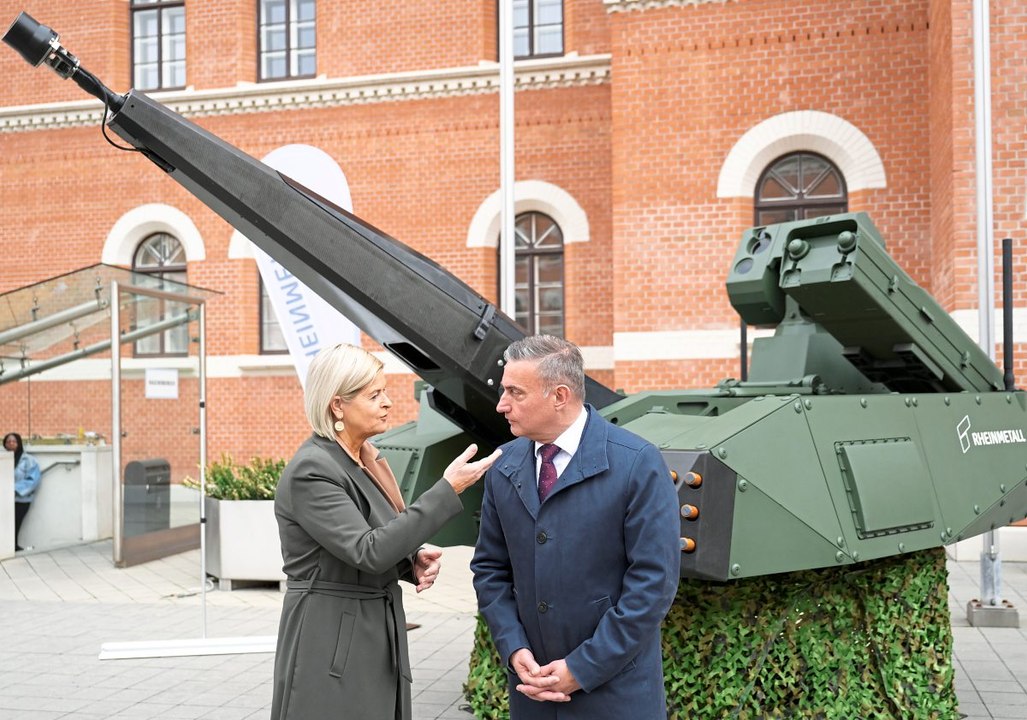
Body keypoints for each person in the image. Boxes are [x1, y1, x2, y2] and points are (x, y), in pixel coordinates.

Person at [270, 343, 501, 720]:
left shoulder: (362, 459)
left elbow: (374, 542)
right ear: (337, 405)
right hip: (330, 637)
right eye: (375, 394)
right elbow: (368, 550)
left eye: (385, 392)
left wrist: (409, 563)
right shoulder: (313, 470)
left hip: (367, 627)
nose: (388, 403)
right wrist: (447, 490)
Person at [471, 335, 681, 719]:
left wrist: (582, 668)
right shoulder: (503, 467)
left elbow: (653, 584)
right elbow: (489, 570)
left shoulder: (637, 464)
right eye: (504, 391)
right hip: (531, 693)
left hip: (615, 695)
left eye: (515, 393)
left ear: (560, 395)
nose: (502, 405)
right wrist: (513, 647)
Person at [6, 432, 40, 552]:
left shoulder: (28, 460)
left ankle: (13, 546)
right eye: (8, 442)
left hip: (21, 499)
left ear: (19, 443)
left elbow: (33, 479)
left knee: (16, 522)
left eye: (14, 441)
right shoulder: (3, 458)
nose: (11, 444)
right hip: (4, 498)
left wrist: (15, 490)